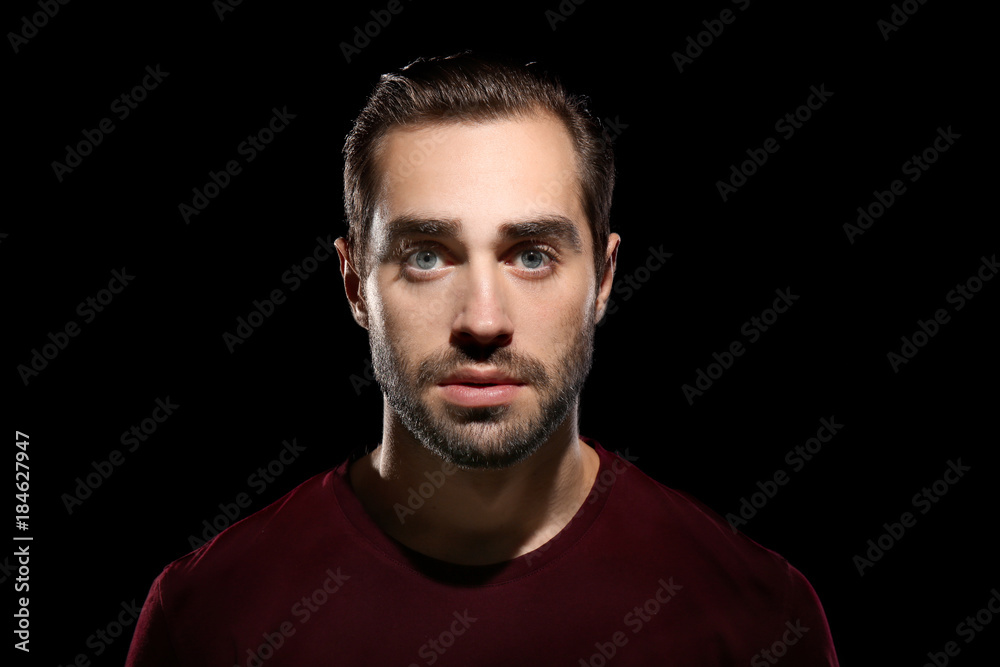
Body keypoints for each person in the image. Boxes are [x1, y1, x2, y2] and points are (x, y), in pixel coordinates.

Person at [126, 52, 839, 666]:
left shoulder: (761, 619)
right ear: (354, 285)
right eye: (427, 256)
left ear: (605, 279)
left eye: (532, 255)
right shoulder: (207, 615)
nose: (483, 322)